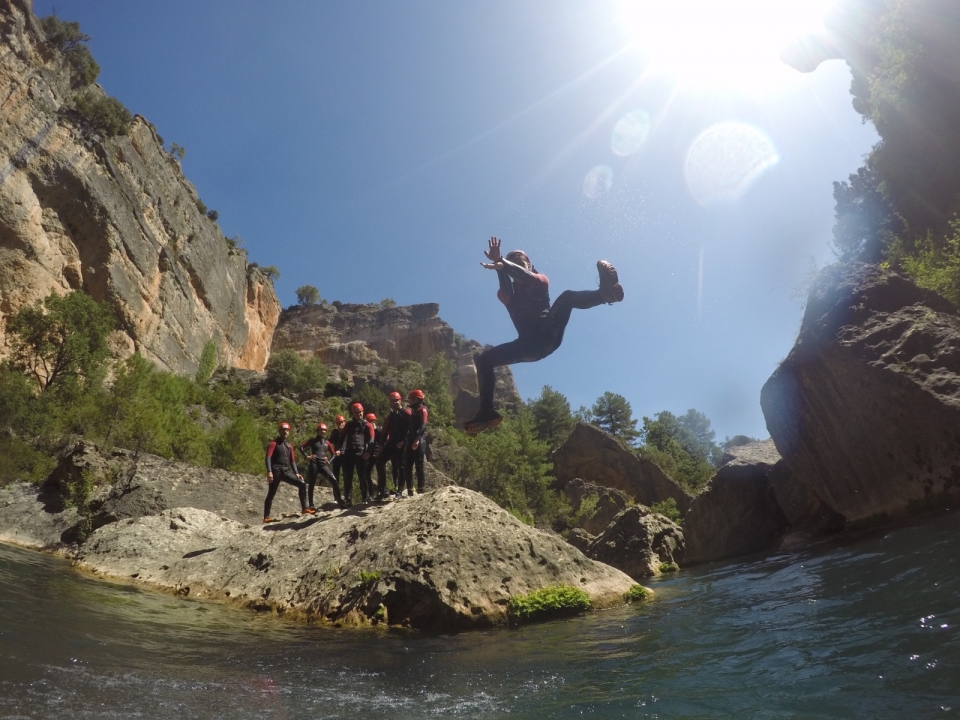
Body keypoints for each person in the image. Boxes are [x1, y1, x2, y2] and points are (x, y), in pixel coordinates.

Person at [465, 237, 623, 434]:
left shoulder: (540, 280)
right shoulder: (507, 294)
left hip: (547, 332)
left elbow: (522, 275)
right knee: (484, 360)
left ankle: (604, 295)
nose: (517, 265)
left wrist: (502, 263)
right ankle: (486, 411)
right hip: (528, 346)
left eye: (520, 262)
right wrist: (500, 266)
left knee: (566, 298)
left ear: (529, 266)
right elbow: (506, 285)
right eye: (513, 262)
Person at [264, 422, 313, 523]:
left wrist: (296, 473)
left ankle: (304, 508)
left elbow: (292, 461)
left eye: (287, 430)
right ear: (280, 431)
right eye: (283, 430)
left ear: (289, 432)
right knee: (271, 493)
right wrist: (269, 471)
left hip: (285, 471)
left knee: (302, 483)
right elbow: (268, 458)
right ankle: (266, 517)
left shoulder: (289, 446)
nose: (285, 432)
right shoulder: (274, 443)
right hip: (276, 470)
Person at [298, 422, 344, 509]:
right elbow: (301, 447)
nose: (323, 431)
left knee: (334, 480)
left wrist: (329, 461)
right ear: (318, 431)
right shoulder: (313, 441)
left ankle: (339, 500)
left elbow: (334, 454)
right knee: (312, 483)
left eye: (324, 430)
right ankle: (311, 504)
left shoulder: (327, 443)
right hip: (314, 463)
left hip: (323, 464)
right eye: (321, 430)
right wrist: (307, 456)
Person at [337, 402, 375, 505]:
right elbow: (342, 437)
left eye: (360, 412)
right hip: (349, 453)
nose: (359, 414)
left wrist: (368, 452)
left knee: (362, 476)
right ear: (353, 413)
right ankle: (348, 499)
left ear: (363, 411)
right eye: (356, 412)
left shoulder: (367, 425)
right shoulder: (349, 424)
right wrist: (338, 449)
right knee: (347, 477)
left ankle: (365, 498)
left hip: (361, 453)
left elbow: (371, 440)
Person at [381, 391, 410, 499]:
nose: (395, 402)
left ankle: (400, 491)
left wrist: (404, 441)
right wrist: (381, 445)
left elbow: (411, 429)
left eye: (397, 400)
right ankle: (383, 490)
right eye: (393, 401)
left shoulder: (406, 413)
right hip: (392, 442)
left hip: (403, 444)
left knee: (401, 466)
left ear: (400, 400)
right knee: (380, 462)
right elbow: (385, 431)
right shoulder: (391, 416)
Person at [400, 389, 428, 497]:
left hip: (418, 441)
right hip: (411, 440)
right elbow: (410, 429)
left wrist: (417, 439)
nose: (409, 401)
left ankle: (421, 489)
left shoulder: (422, 410)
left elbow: (423, 425)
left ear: (416, 399)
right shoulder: (414, 411)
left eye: (411, 399)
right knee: (407, 465)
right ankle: (410, 490)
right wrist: (406, 440)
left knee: (419, 466)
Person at [364, 412, 388, 501]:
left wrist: (380, 451)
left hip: (379, 454)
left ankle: (383, 490)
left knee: (381, 472)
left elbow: (385, 441)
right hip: (370, 454)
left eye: (373, 421)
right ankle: (371, 493)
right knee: (366, 473)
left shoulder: (380, 431)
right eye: (371, 421)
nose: (372, 423)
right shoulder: (366, 432)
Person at [328, 414, 347, 491]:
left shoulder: (348, 432)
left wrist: (341, 451)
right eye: (339, 423)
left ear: (345, 422)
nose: (340, 424)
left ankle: (347, 495)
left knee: (346, 477)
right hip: (336, 456)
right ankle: (336, 494)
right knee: (335, 476)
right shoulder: (335, 432)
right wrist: (332, 452)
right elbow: (329, 442)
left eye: (342, 422)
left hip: (346, 456)